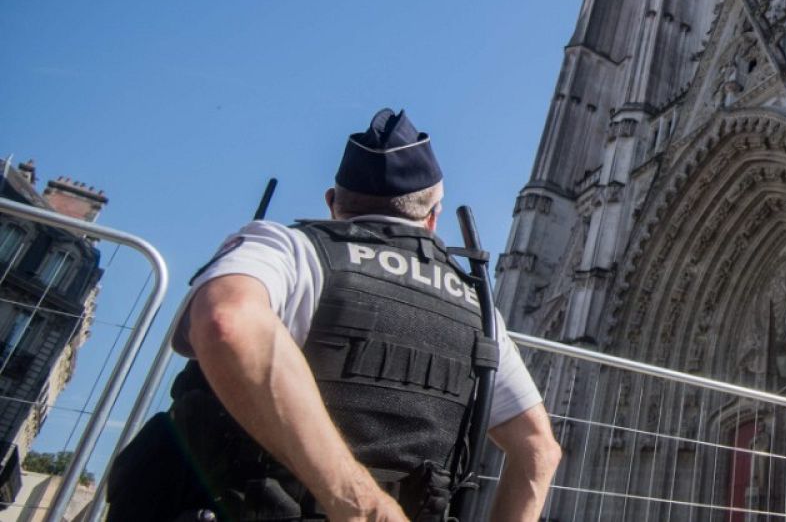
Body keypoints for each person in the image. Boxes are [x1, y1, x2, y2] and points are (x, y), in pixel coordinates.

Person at [107, 108, 561, 522]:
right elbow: (538, 450)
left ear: (332, 202)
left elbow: (226, 323)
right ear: (432, 217)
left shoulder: (290, 248)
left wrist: (358, 501)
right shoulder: (477, 309)